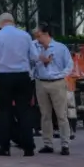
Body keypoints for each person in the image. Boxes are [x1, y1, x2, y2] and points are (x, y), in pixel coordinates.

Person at [0, 12, 36, 156]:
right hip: (23, 77)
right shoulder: (25, 35)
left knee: (4, 112)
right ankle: (28, 147)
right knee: (24, 112)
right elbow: (34, 57)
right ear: (13, 22)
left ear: (1, 24)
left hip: (4, 77)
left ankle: (5, 147)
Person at [31, 23, 73, 156]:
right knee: (45, 114)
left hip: (56, 82)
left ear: (46, 34)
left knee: (61, 114)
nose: (37, 38)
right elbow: (30, 62)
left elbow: (69, 65)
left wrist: (60, 75)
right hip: (41, 82)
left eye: (39, 35)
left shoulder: (60, 48)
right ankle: (47, 143)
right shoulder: (34, 47)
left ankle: (65, 144)